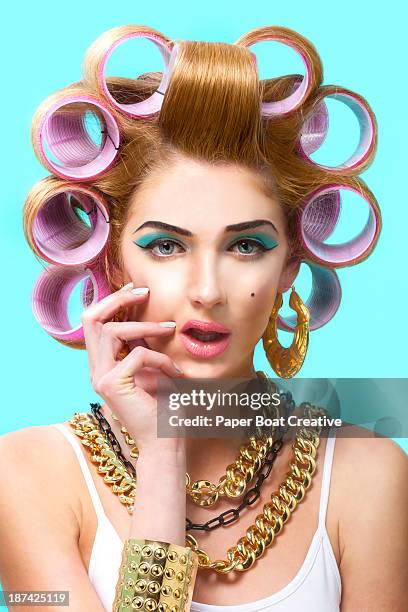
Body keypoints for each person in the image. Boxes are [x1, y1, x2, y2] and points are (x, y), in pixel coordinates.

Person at [0, 23, 407, 612]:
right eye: (166, 246)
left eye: (247, 247)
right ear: (111, 261)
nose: (208, 290)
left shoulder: (368, 476)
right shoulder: (26, 477)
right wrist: (163, 452)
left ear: (290, 265)